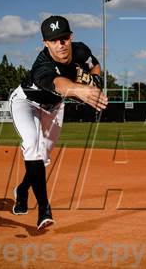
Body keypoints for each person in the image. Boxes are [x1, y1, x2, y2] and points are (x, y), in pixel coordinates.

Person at [9, 15, 108, 230]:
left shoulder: (81, 50)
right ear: (46, 43)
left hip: (53, 108)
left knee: (42, 158)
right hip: (26, 103)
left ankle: (22, 189)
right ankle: (44, 209)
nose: (60, 44)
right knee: (32, 145)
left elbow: (95, 65)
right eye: (54, 40)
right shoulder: (42, 65)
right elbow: (58, 84)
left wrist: (95, 80)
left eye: (63, 38)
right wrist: (80, 90)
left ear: (70, 37)